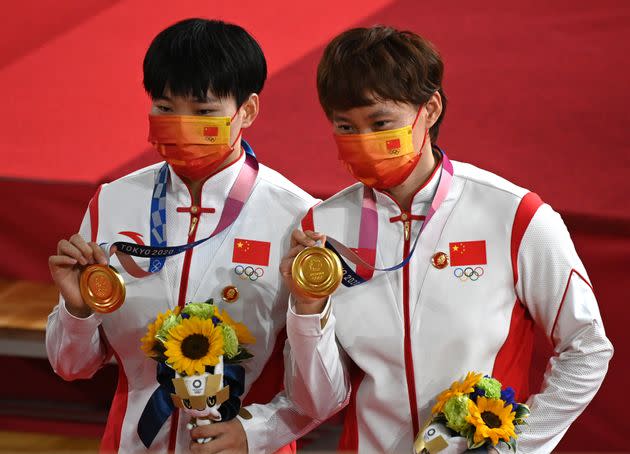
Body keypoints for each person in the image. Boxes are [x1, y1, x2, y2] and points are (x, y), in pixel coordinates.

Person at [281, 26, 613, 453]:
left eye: (380, 122)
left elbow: (587, 349)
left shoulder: (513, 215)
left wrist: (514, 447)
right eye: (346, 127)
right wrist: (307, 312)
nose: (363, 141)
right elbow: (319, 401)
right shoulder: (323, 226)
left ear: (430, 108)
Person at [47, 18, 318, 453]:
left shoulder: (296, 216)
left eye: (204, 112)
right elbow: (70, 366)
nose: (180, 124)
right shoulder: (114, 202)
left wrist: (257, 432)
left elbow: (320, 388)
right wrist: (77, 312)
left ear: (246, 111)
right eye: (165, 107)